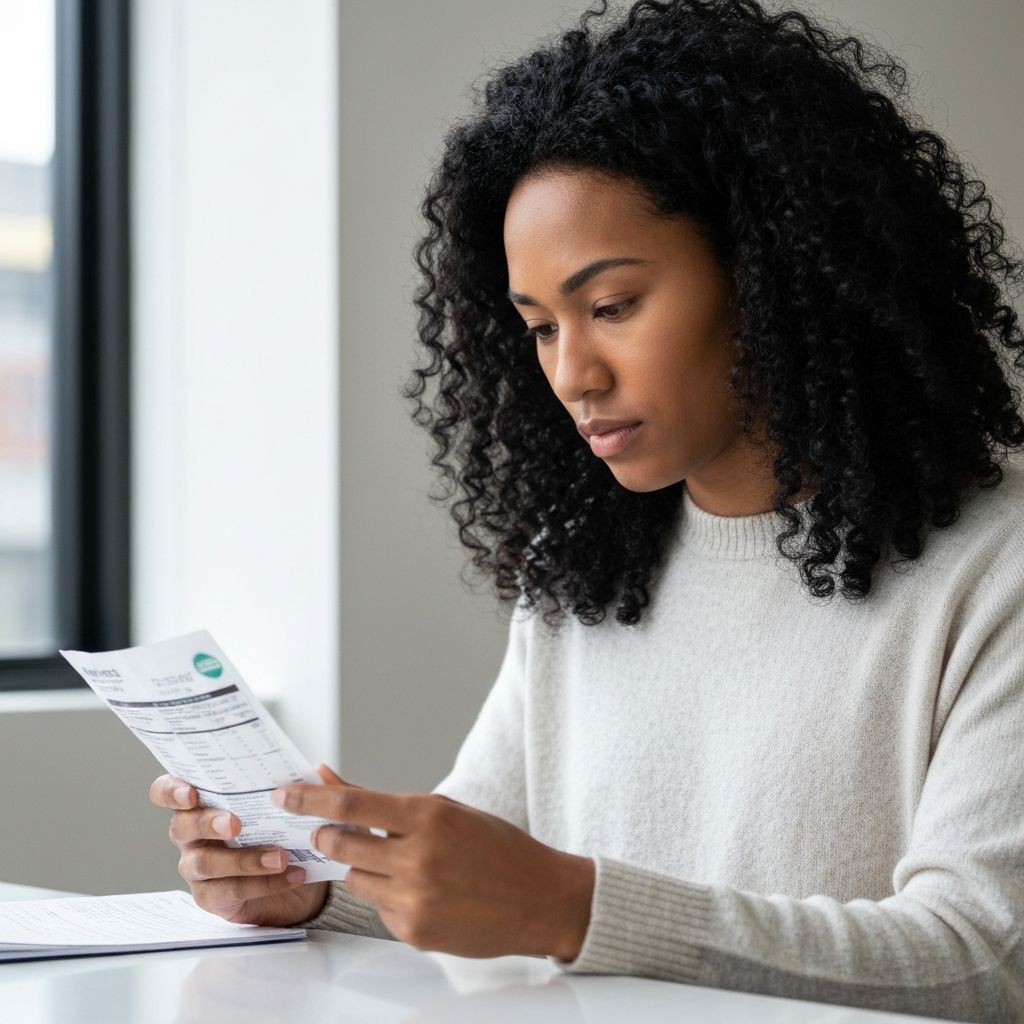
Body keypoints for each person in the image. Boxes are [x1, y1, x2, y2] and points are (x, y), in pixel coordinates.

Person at [149, 0, 1024, 1018]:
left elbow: (979, 957)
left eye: (611, 306)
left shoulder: (992, 571)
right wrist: (316, 885)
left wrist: (574, 907)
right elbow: (477, 883)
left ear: (773, 270)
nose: (572, 373)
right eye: (538, 327)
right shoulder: (586, 575)